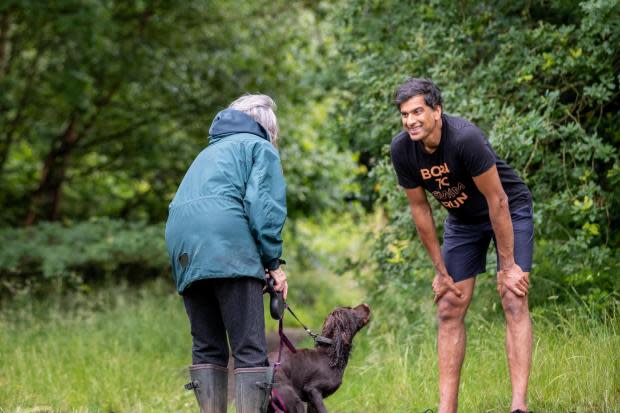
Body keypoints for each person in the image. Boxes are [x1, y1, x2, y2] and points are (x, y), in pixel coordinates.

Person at [389, 78, 533, 413]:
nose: (410, 120)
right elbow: (420, 209)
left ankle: (518, 406)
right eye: (404, 114)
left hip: (508, 210)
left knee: (513, 296)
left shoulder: (465, 139)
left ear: (437, 111)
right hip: (463, 221)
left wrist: (508, 264)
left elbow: (498, 201)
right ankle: (446, 410)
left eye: (417, 112)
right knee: (448, 305)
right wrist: (440, 270)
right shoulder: (402, 150)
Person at [165, 94, 288, 413]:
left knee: (207, 348)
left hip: (185, 252)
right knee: (249, 349)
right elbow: (264, 209)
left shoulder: (207, 154)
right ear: (268, 127)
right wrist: (273, 264)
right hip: (227, 245)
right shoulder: (259, 148)